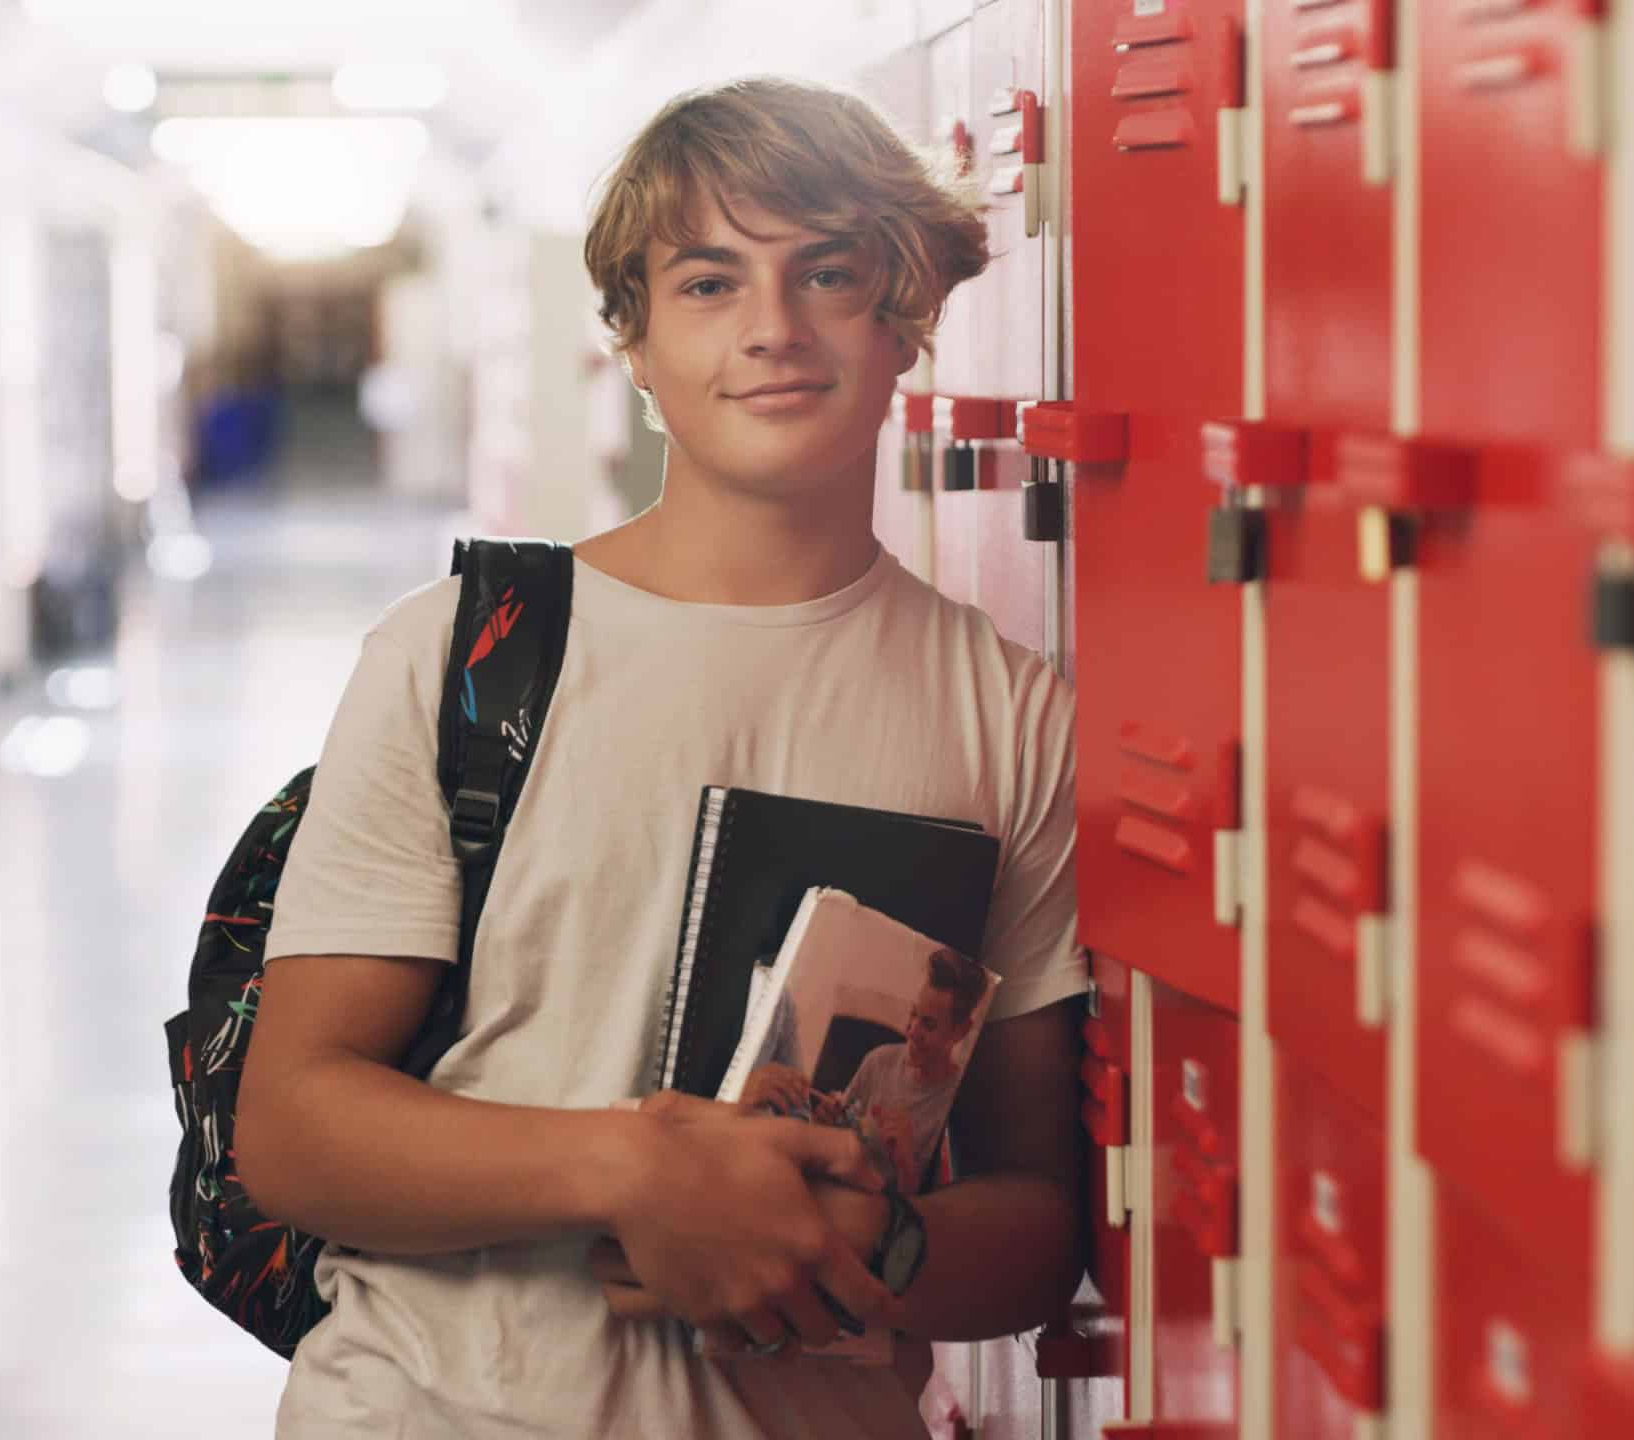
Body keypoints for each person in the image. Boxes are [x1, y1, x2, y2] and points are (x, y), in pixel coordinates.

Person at [235, 76, 1085, 1438]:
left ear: (906, 320)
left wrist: (871, 1245)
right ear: (629, 342)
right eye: (706, 283)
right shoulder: (464, 655)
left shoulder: (1011, 713)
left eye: (827, 273)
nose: (771, 330)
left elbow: (1043, 1215)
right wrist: (632, 1172)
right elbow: (291, 1127)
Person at [741, 947, 993, 1193]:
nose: (911, 1031)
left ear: (960, 1031)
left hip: (867, 1206)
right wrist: (825, 1117)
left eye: (927, 1025)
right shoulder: (880, 1060)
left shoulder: (955, 1103)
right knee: (780, 1003)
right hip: (829, 1176)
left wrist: (905, 1161)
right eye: (913, 1015)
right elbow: (836, 1129)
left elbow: (923, 1216)